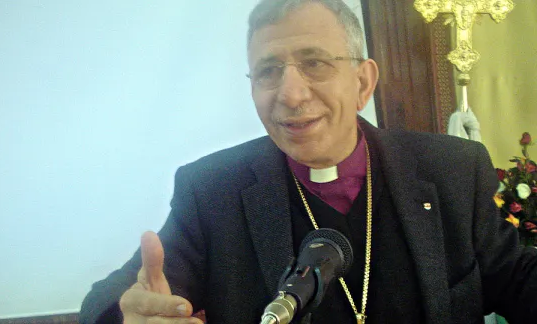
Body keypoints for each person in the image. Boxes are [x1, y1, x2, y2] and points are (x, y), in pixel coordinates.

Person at [79, 0, 537, 323]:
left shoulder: (452, 170)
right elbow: (112, 297)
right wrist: (127, 314)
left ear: (362, 81)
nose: (290, 94)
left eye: (314, 63)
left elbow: (519, 284)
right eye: (268, 71)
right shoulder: (212, 191)